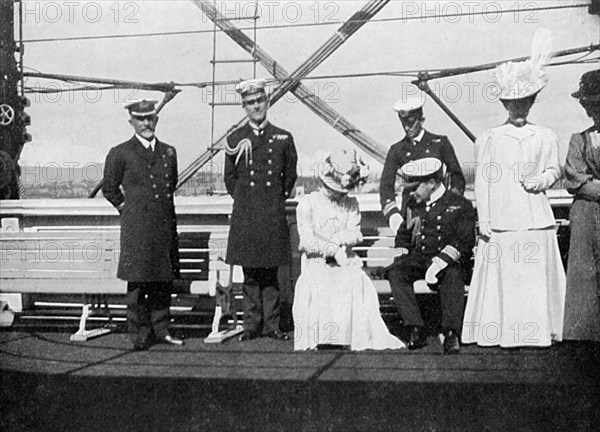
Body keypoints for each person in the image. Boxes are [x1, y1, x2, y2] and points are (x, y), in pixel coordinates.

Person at [461, 29, 565, 348]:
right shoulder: (489, 138)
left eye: (524, 101)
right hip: (504, 219)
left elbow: (554, 169)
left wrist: (542, 180)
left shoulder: (545, 135)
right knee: (507, 277)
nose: (518, 107)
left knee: (533, 275)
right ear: (505, 102)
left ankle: (538, 331)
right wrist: (486, 221)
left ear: (532, 101)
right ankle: (504, 330)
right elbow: (483, 182)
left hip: (535, 216)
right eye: (513, 102)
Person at [293, 150, 405, 351]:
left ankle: (347, 336)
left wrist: (339, 240)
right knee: (319, 280)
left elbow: (356, 233)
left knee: (354, 279)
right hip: (316, 261)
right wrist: (331, 248)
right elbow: (306, 240)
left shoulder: (351, 204)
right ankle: (325, 337)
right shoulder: (307, 203)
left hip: (346, 259)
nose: (337, 193)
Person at [102, 99, 183, 350]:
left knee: (162, 280)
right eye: (140, 119)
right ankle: (139, 334)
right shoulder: (120, 152)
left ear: (156, 120)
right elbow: (109, 189)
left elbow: (172, 184)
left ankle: (161, 329)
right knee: (137, 284)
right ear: (132, 122)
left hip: (163, 226)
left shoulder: (168, 152)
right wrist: (127, 209)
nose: (146, 123)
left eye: (150, 118)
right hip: (136, 229)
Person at [224, 78, 298, 341]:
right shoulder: (235, 138)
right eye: (250, 103)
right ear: (243, 106)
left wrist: (271, 200)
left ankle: (273, 325)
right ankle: (252, 326)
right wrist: (248, 201)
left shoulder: (283, 137)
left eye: (260, 101)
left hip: (271, 213)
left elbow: (290, 176)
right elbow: (230, 179)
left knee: (271, 274)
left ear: (267, 102)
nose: (256, 106)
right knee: (251, 274)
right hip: (247, 215)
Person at [383, 157, 476, 354]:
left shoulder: (460, 204)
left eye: (415, 186)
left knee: (453, 275)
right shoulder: (413, 203)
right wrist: (401, 256)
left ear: (432, 183)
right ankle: (415, 327)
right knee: (396, 273)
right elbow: (403, 233)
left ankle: (451, 333)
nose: (410, 191)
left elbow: (465, 241)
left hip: (449, 260)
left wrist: (439, 263)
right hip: (419, 259)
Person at [380, 88, 466, 239]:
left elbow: (457, 177)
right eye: (403, 123)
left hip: (439, 212)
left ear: (421, 120)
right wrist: (394, 217)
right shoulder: (396, 150)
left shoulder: (440, 143)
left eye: (411, 123)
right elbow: (386, 187)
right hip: (411, 213)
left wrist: (450, 206)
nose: (407, 128)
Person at [563, 69, 600, 342]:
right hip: (589, 210)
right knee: (585, 272)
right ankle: (586, 333)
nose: (593, 109)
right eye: (591, 105)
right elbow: (575, 178)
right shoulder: (580, 139)